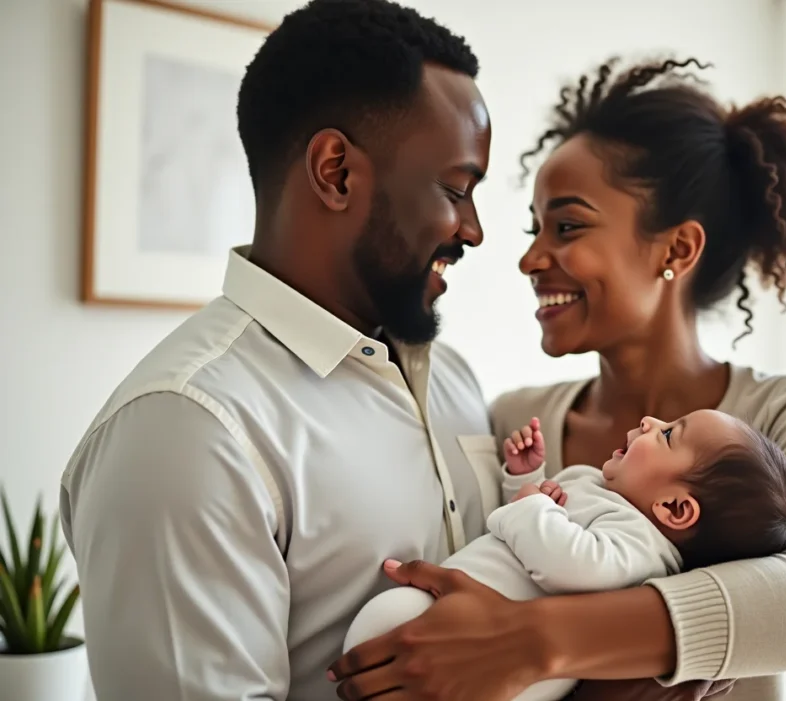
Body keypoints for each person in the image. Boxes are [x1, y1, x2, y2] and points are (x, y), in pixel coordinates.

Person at [331, 58, 786, 701]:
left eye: (568, 226)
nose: (530, 258)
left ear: (675, 250)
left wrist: (528, 640)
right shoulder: (508, 420)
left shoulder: (785, 411)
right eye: (535, 230)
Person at [59, 1, 499, 699]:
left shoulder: (456, 381)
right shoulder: (187, 430)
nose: (473, 230)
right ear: (337, 172)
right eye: (455, 188)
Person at [342, 411, 786, 701]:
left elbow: (571, 568)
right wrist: (526, 479)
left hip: (495, 670)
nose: (650, 422)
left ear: (675, 509)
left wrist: (529, 503)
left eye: (667, 436)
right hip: (445, 633)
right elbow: (528, 534)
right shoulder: (598, 485)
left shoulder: (643, 546)